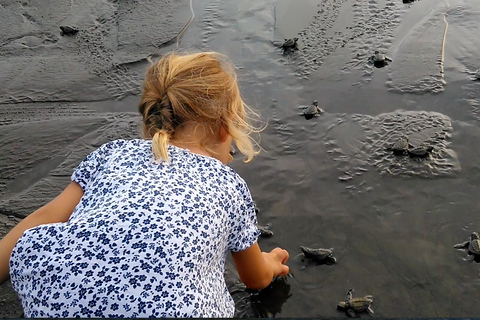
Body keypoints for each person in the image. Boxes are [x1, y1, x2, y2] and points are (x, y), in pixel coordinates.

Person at [0, 51, 289, 317]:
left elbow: (43, 219)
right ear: (225, 128)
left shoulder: (112, 153)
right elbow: (255, 278)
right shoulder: (229, 185)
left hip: (56, 300)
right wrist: (272, 262)